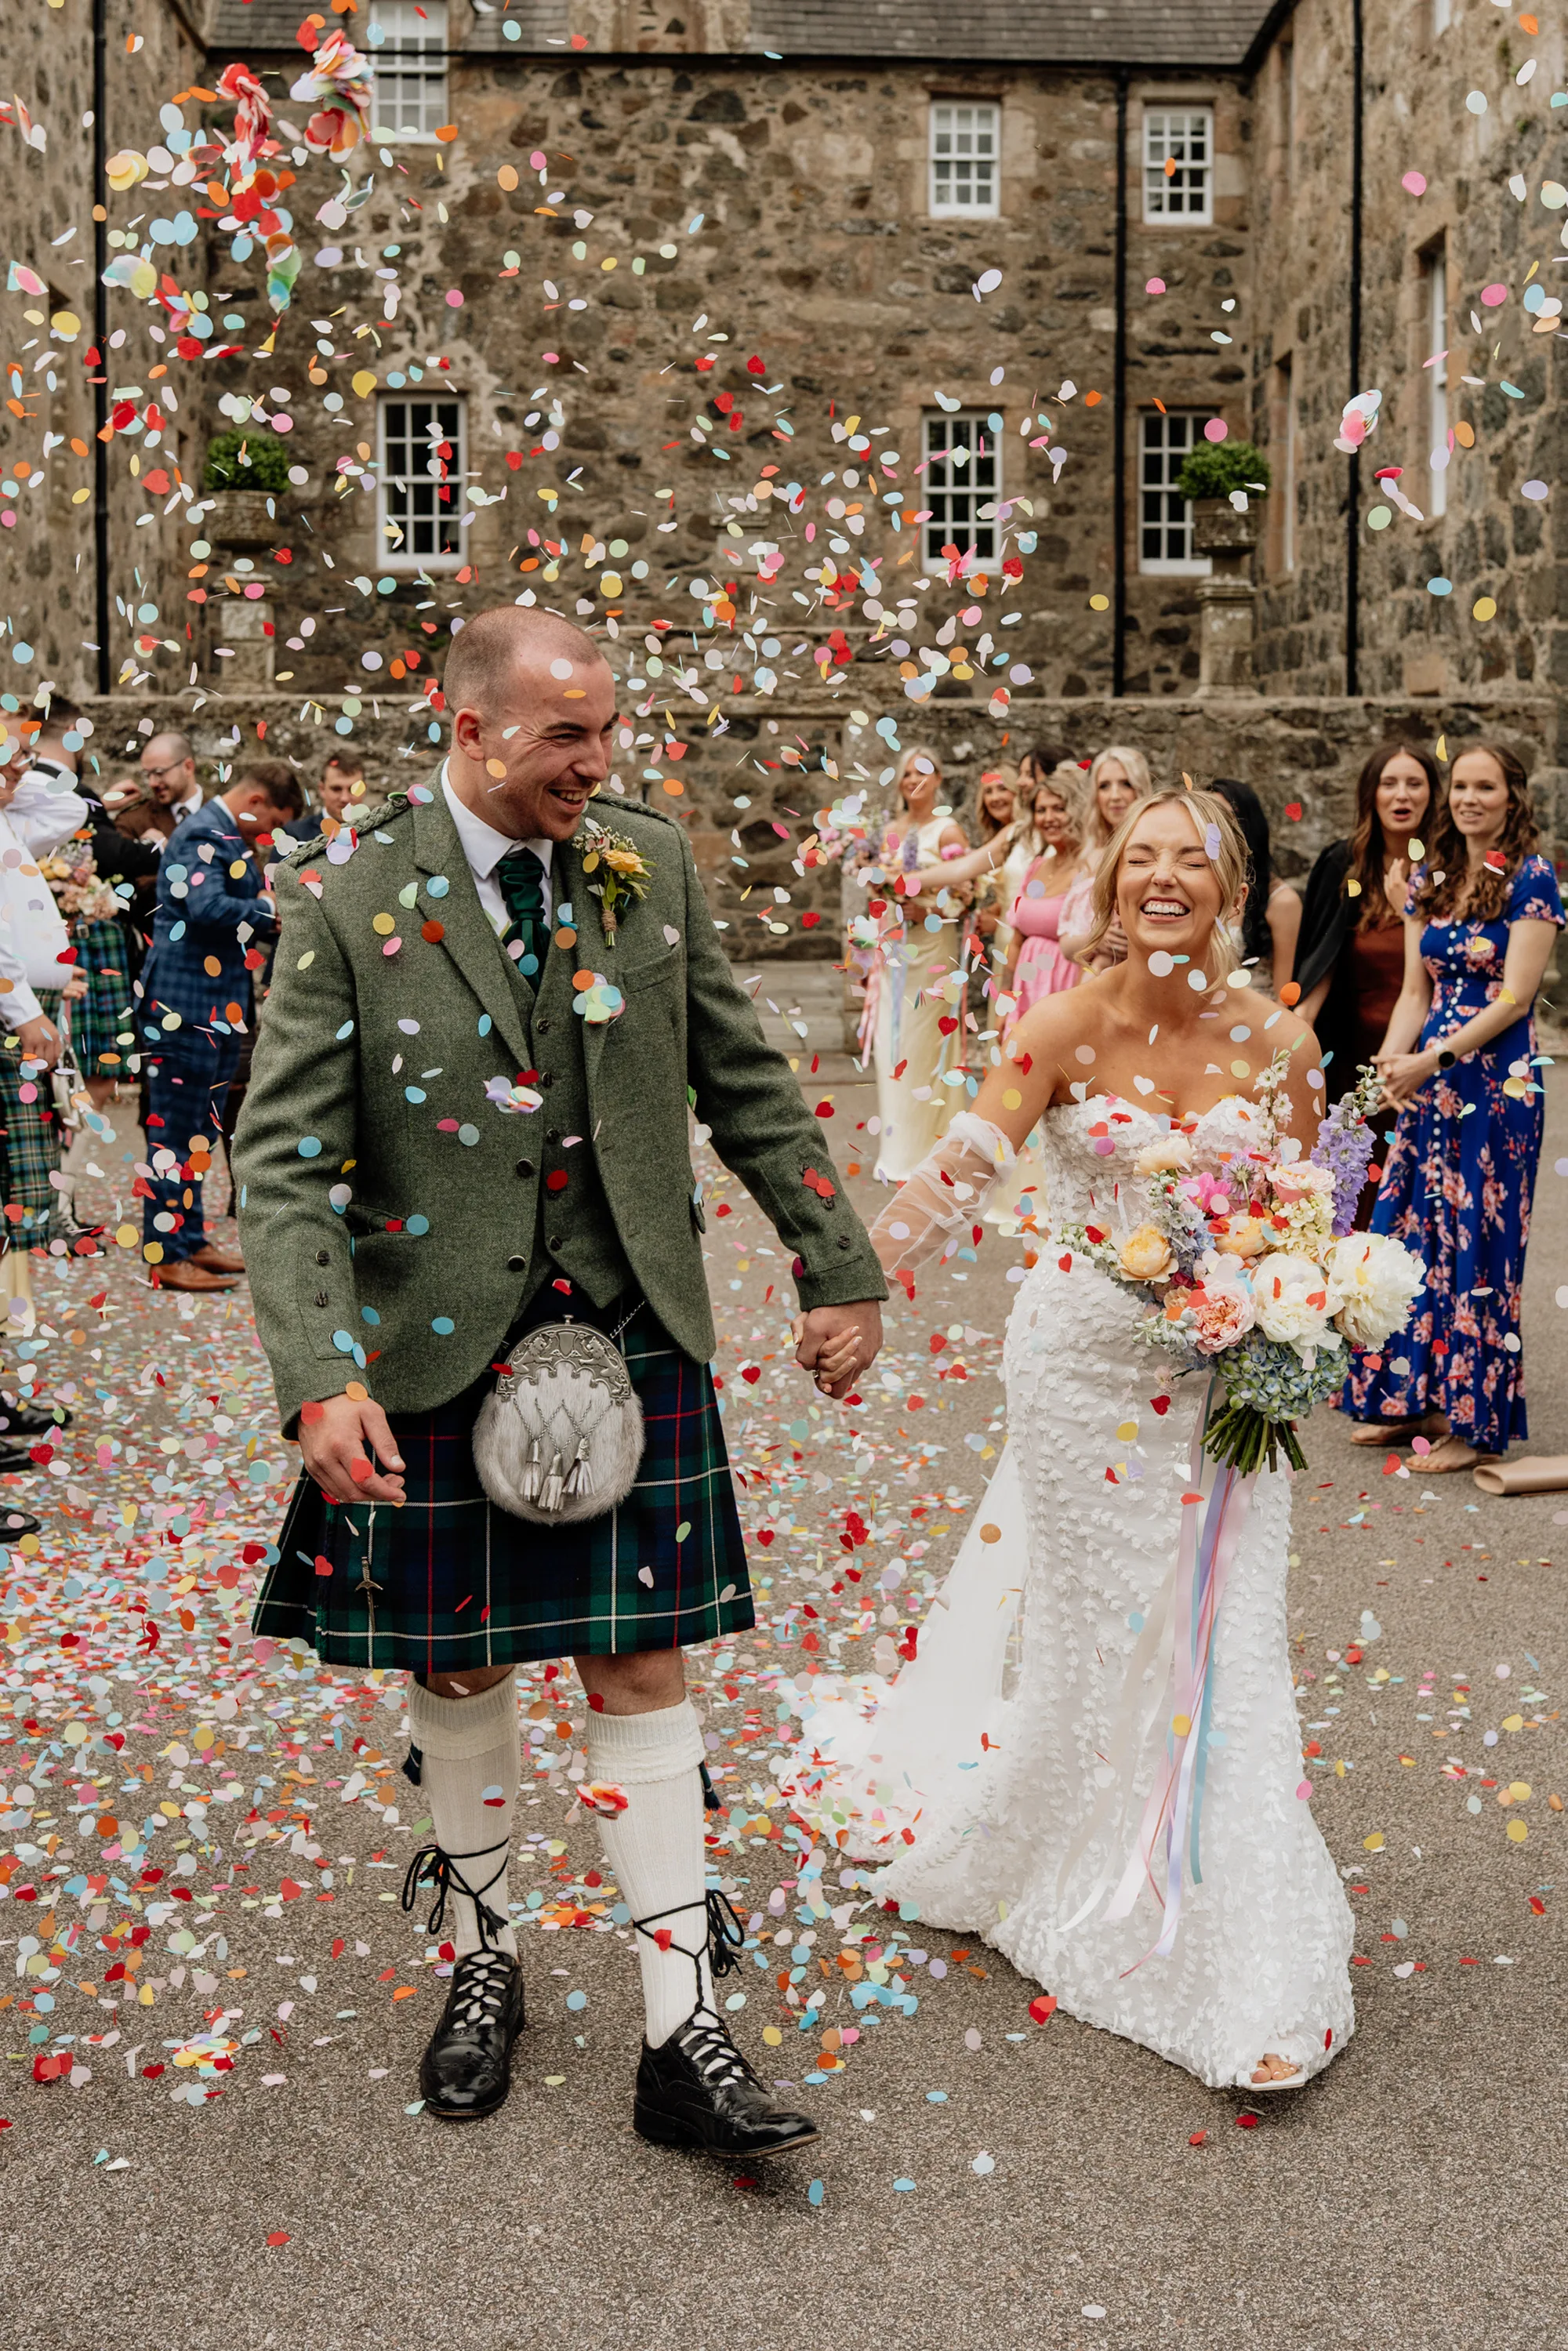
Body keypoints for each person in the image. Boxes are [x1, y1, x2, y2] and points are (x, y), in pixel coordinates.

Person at [234, 604, 887, 2157]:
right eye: (563, 736)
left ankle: (684, 2026)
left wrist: (834, 1257)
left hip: (629, 1320)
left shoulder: (643, 865)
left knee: (645, 1668)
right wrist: (320, 1369)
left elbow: (737, 1068)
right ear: (468, 725)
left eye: (604, 730)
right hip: (434, 1348)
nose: (594, 763)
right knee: (458, 1671)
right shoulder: (351, 895)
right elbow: (282, 1156)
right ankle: (481, 1956)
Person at [806, 789, 1355, 2095]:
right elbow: (958, 1169)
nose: (1165, 877)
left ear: (1231, 894)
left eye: (1194, 861)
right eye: (1142, 858)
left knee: (1226, 1643)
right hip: (1076, 1373)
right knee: (1089, 1632)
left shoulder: (1279, 1041)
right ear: (1111, 888)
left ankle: (1248, 1956)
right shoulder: (1056, 1021)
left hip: (1220, 1382)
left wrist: (1290, 1312)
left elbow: (1301, 1209)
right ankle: (1048, 1855)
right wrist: (858, 1283)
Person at [1342, 744, 1563, 1471]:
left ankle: (1474, 1424)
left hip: (1497, 1080)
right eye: (1461, 785)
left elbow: (1515, 997)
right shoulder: (1430, 877)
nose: (1469, 797)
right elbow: (1416, 992)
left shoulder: (1532, 878)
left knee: (1479, 1243)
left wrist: (1432, 1059)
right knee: (1411, 1231)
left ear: (1511, 798)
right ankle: (1413, 1399)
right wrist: (1389, 1066)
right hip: (1429, 1073)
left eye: (1485, 786)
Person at [135, 758, 300, 1293]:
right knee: (174, 1134)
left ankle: (191, 1239)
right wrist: (268, 909)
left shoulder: (223, 832)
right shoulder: (203, 832)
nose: (272, 833)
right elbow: (205, 905)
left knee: (201, 1131)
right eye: (273, 821)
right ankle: (165, 1255)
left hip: (214, 1008)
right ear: (255, 802)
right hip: (184, 1009)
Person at [1295, 742, 1438, 1114]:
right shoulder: (1343, 865)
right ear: (1370, 794)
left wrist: (1409, 910)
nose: (1402, 795)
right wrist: (1297, 1032)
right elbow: (1321, 958)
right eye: (1389, 783)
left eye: (1415, 784)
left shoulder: (1447, 869)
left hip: (1428, 1051)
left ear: (1433, 795)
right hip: (1354, 1056)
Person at [859, 746, 972, 1183]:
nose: (914, 781)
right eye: (907, 773)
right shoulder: (889, 831)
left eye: (923, 773)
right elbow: (876, 891)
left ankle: (929, 1150)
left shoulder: (947, 831)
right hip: (893, 956)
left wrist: (927, 909)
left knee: (924, 1050)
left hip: (931, 957)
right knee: (893, 1051)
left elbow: (967, 893)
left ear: (939, 778)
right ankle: (897, 1148)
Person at [1000, 762, 1089, 1016]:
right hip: (1024, 992)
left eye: (1059, 809)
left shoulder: (1088, 870)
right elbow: (1016, 941)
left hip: (1065, 990)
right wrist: (1004, 1002)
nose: (1049, 818)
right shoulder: (1036, 868)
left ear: (1077, 811)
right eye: (1041, 810)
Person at [1060, 745, 1154, 970]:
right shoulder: (1089, 853)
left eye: (1126, 784)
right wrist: (1098, 940)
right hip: (1077, 978)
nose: (1114, 796)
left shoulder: (1151, 853)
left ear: (1140, 789)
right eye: (1104, 786)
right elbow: (1065, 945)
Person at [1209, 778, 1301, 994]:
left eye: (1224, 819)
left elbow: (1284, 996)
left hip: (1256, 1019)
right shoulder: (1200, 888)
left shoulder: (1282, 901)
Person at [282, 750, 367, 844]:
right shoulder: (294, 835)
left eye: (353, 789)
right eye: (336, 789)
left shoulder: (377, 832)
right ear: (322, 789)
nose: (345, 798)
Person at [138, 732, 203, 843]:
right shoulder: (135, 821)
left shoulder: (223, 816)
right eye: (147, 775)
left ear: (188, 767)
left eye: (159, 772)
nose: (152, 783)